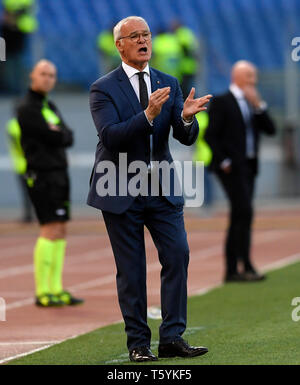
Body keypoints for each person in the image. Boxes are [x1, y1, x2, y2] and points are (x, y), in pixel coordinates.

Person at [87, 16, 212, 362]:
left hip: (161, 188)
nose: (143, 41)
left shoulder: (167, 81)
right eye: (135, 36)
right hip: (120, 185)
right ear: (120, 45)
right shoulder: (103, 88)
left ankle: (172, 336)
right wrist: (147, 115)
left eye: (146, 35)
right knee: (132, 269)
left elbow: (183, 136)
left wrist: (186, 117)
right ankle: (138, 344)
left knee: (177, 254)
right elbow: (111, 136)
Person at [17, 59, 84, 307]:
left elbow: (67, 136)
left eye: (52, 75)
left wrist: (58, 132)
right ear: (32, 77)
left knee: (61, 228)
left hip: (58, 172)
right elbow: (50, 135)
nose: (48, 79)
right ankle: (42, 290)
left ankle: (56, 287)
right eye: (43, 74)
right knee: (49, 228)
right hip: (41, 173)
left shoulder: (50, 105)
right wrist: (57, 133)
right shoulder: (26, 107)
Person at [205, 60, 276, 282]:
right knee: (243, 210)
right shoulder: (221, 101)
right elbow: (210, 135)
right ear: (237, 77)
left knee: (242, 214)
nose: (253, 81)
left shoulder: (252, 103)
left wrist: (259, 105)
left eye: (254, 77)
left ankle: (236, 268)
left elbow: (271, 130)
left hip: (249, 166)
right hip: (230, 168)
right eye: (249, 77)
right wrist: (224, 160)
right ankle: (241, 266)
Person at [0, 0, 38, 95]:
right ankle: (9, 86)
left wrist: (13, 17)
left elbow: (28, 9)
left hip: (21, 28)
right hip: (8, 27)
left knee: (18, 58)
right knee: (5, 57)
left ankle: (17, 87)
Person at [6, 117, 34, 222]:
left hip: (19, 164)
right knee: (34, 190)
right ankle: (34, 214)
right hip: (30, 163)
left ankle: (28, 214)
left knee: (26, 192)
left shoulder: (11, 125)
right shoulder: (29, 122)